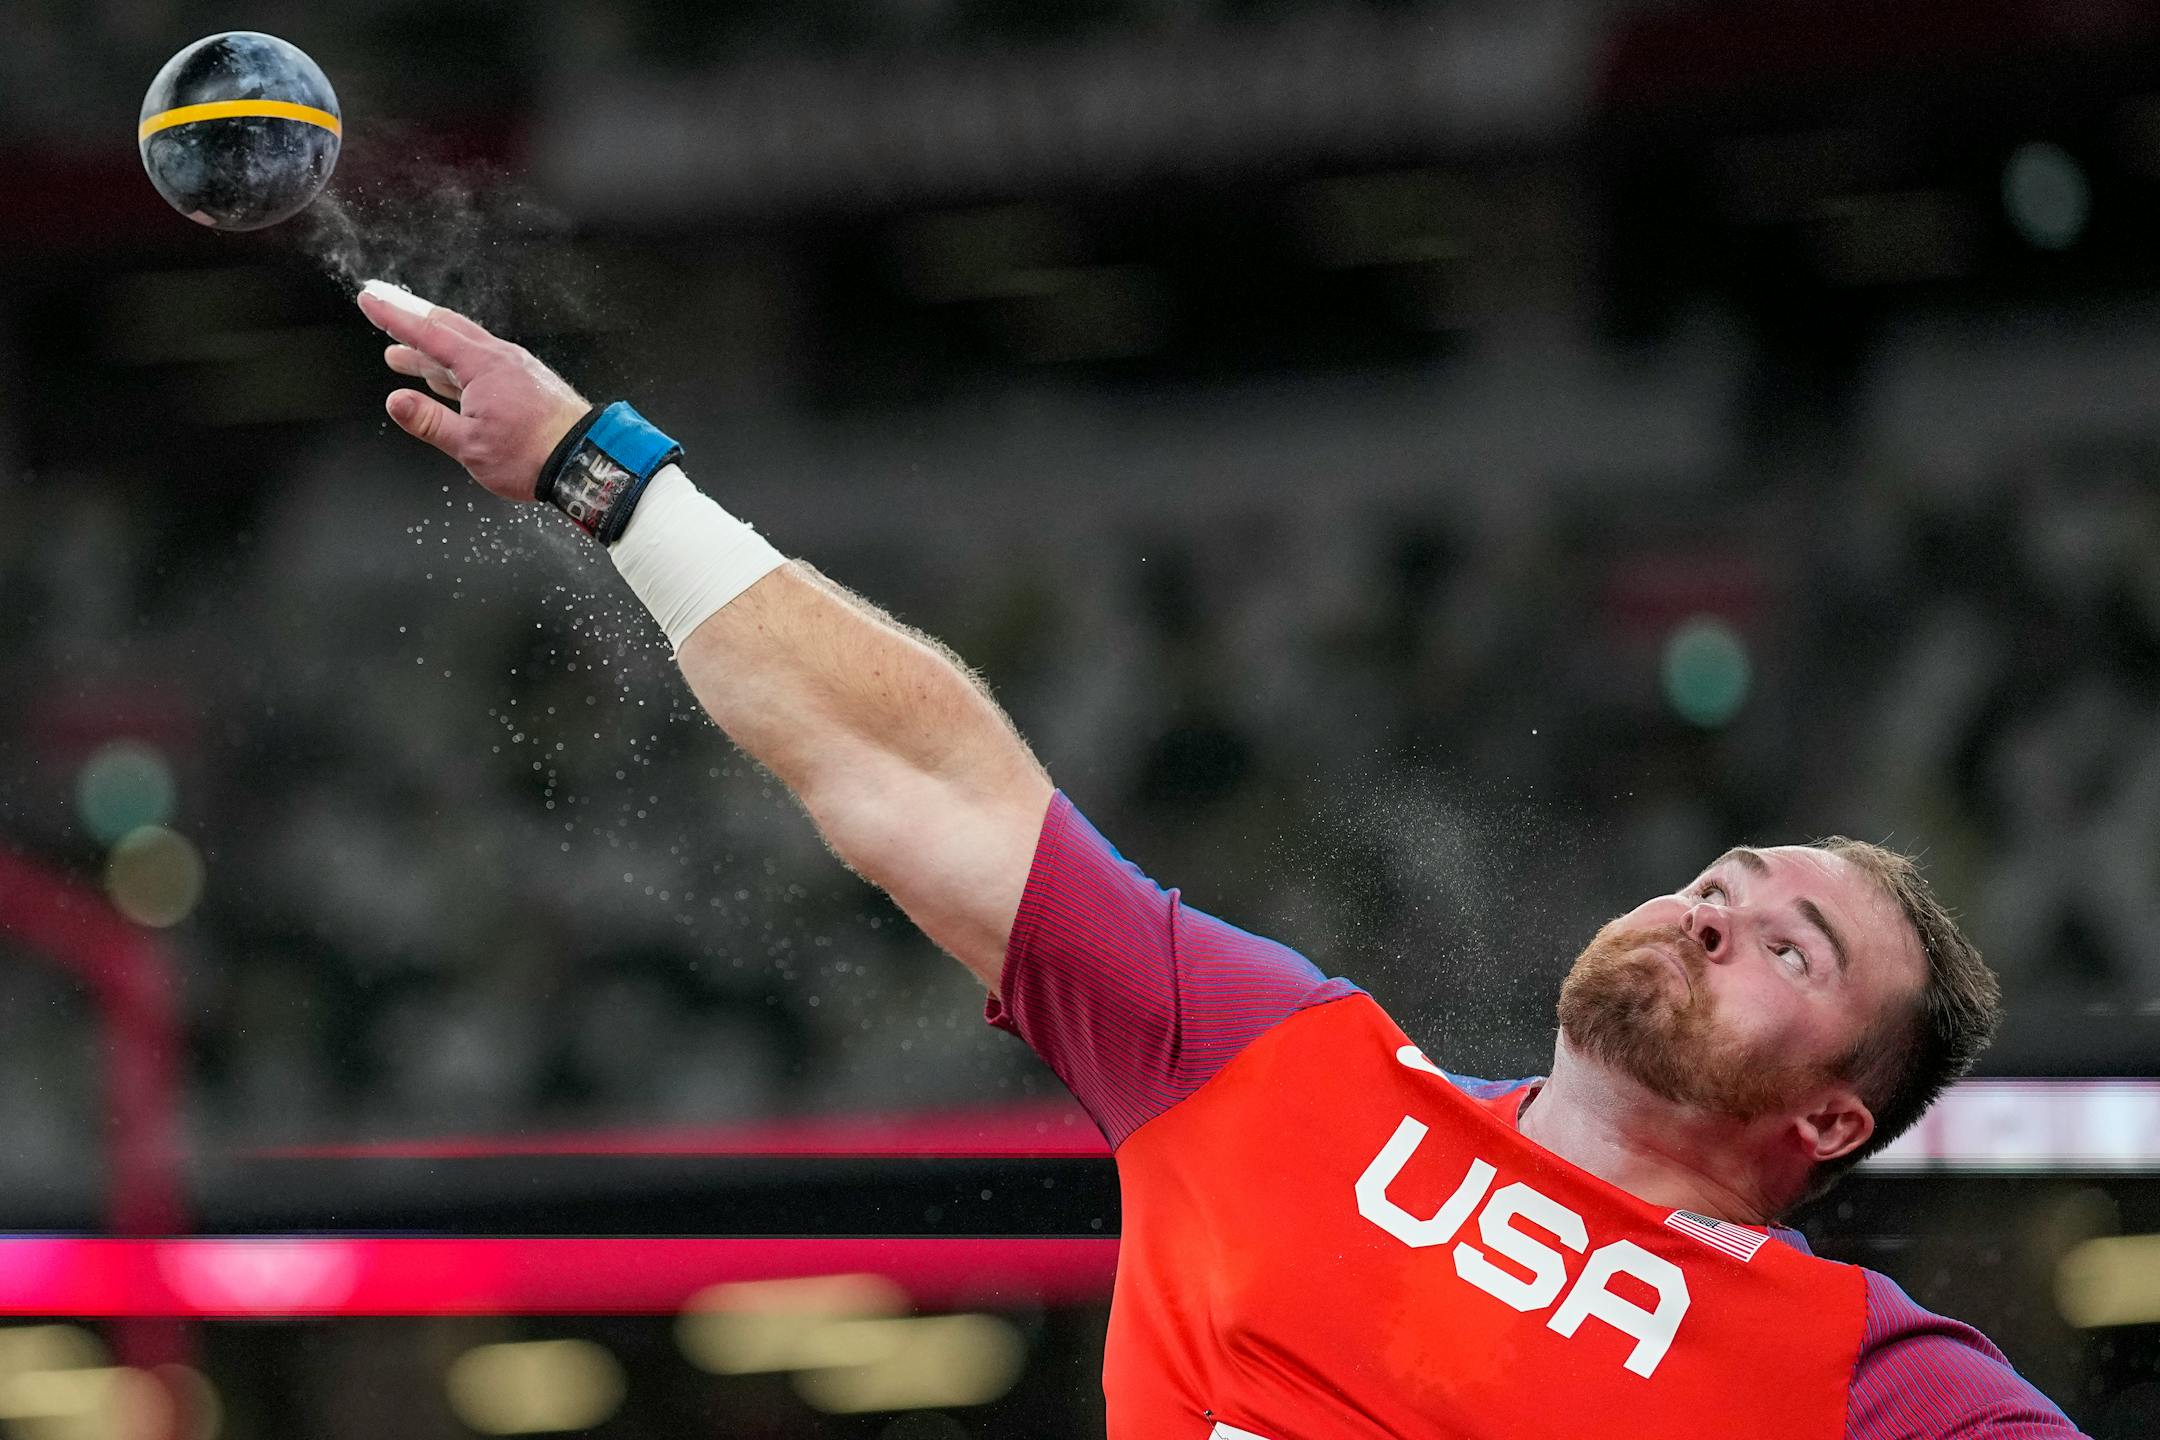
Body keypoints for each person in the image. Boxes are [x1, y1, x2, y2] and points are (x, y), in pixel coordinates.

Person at [355, 280, 2091, 1440]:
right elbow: (925, 777)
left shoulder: (1860, 1377)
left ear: (1834, 1122)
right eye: (1731, 880)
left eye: (1798, 950)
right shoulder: (1280, 1069)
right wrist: (606, 472)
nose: (1721, 916)